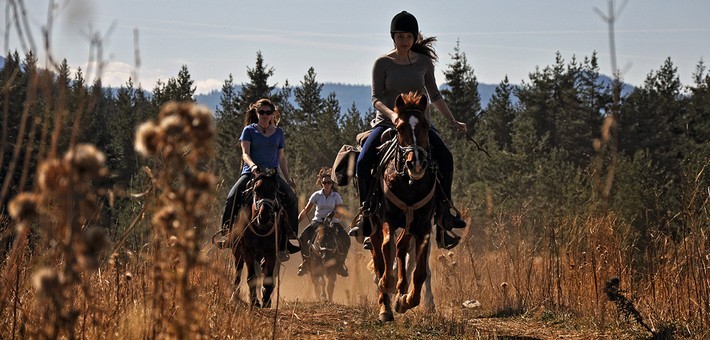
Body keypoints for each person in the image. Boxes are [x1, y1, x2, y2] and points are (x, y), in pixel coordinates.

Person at [349, 11, 466, 250]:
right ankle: (367, 215)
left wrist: (452, 120)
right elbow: (375, 98)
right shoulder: (382, 63)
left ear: (414, 38)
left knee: (445, 157)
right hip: (386, 122)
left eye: (408, 36)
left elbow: (434, 95)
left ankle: (445, 213)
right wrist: (392, 115)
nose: (404, 40)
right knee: (362, 161)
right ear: (393, 38)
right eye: (400, 36)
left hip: (420, 124)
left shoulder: (424, 63)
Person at [220, 98, 300, 260]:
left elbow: (282, 158)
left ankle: (288, 237)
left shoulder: (278, 132)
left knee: (291, 198)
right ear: (256, 113)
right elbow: (245, 153)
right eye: (261, 112)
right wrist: (253, 167)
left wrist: (288, 178)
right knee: (232, 197)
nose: (264, 115)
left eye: (268, 112)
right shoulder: (249, 131)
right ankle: (227, 233)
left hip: (272, 175)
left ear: (272, 114)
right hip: (251, 173)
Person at [297, 169, 351, 277]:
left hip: (332, 223)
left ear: (332, 184)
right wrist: (297, 221)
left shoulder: (336, 197)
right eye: (324, 182)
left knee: (346, 239)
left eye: (329, 182)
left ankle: (340, 265)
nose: (326, 184)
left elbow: (339, 213)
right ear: (321, 183)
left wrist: (332, 215)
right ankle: (305, 263)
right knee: (302, 237)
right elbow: (306, 210)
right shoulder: (316, 195)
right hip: (317, 222)